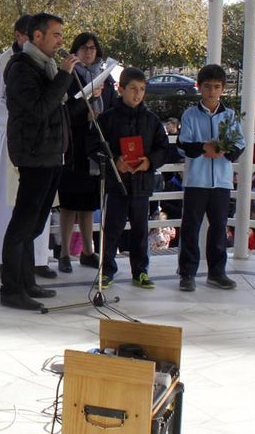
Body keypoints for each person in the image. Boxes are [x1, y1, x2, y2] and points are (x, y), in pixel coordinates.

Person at [0, 13, 79, 311]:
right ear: (36, 36)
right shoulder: (21, 68)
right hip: (33, 155)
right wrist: (64, 76)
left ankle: (27, 281)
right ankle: (11, 289)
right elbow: (37, 110)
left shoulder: (45, 65)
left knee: (35, 224)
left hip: (51, 154)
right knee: (22, 224)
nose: (61, 41)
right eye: (56, 34)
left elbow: (56, 106)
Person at [0, 14, 54, 278]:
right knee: (8, 207)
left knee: (36, 204)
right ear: (19, 35)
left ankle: (36, 260)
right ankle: (8, 263)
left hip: (39, 142)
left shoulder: (45, 64)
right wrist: (24, 115)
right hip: (9, 140)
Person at [88, 66, 168, 290]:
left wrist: (149, 161)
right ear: (120, 89)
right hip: (117, 183)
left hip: (142, 185)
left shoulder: (151, 120)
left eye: (142, 89)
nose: (138, 94)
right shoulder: (108, 119)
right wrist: (115, 160)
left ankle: (140, 271)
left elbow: (164, 147)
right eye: (133, 89)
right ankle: (107, 270)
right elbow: (93, 145)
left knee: (141, 230)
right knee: (112, 229)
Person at [176, 63, 245, 291]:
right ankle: (187, 273)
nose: (212, 92)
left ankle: (217, 272)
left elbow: (239, 144)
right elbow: (183, 144)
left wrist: (225, 150)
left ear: (223, 88)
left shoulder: (231, 115)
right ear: (199, 87)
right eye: (207, 87)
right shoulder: (190, 115)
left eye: (216, 87)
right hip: (196, 181)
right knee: (191, 227)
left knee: (219, 227)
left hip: (222, 182)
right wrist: (205, 148)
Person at [58, 32, 111, 274]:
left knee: (89, 205)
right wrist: (84, 113)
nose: (89, 52)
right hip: (73, 146)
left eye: (92, 47)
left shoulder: (105, 78)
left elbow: (111, 105)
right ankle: (64, 253)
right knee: (69, 203)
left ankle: (88, 252)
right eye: (83, 48)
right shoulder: (69, 76)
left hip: (94, 146)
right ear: (75, 51)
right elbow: (64, 110)